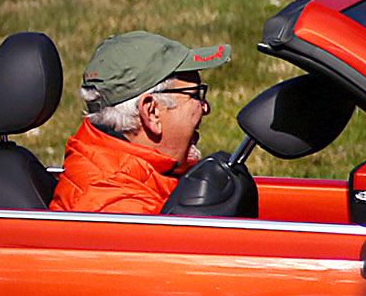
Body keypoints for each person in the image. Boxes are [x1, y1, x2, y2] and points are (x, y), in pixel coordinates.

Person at [47, 32, 234, 215]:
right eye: (195, 95)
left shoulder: (113, 167)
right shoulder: (119, 210)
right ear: (152, 112)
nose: (206, 107)